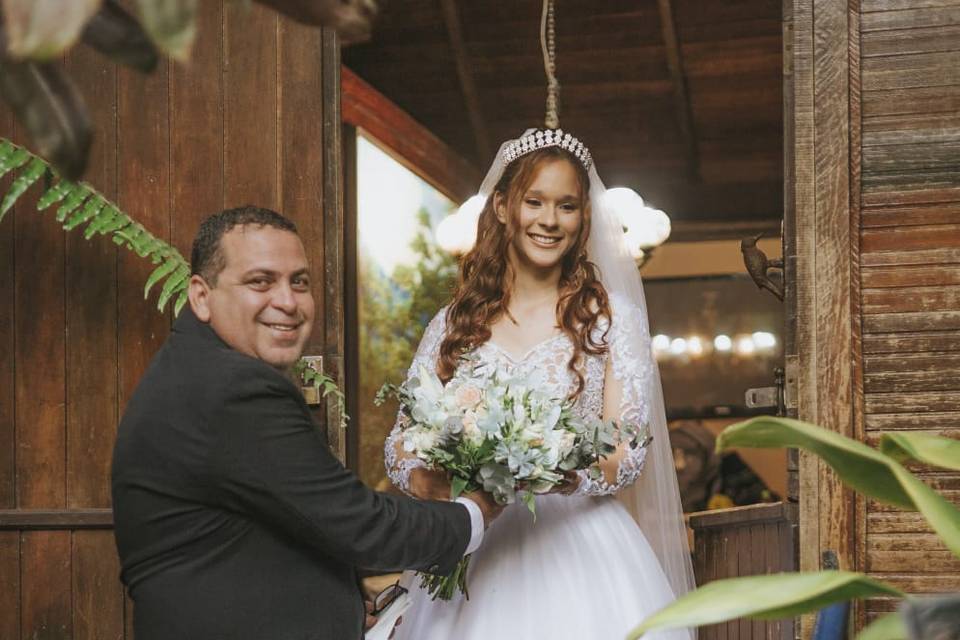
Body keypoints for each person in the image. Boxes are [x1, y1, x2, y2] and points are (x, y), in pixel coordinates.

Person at [111, 206, 501, 640]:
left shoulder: (196, 368)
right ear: (201, 296)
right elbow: (358, 524)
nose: (288, 302)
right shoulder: (232, 389)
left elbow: (272, 532)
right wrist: (474, 514)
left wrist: (344, 606)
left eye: (299, 281)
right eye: (260, 281)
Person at [385, 130, 696, 639]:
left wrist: (540, 467)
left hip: (582, 554)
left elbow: (628, 451)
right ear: (505, 207)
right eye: (535, 202)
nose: (550, 221)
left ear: (582, 218)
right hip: (471, 545)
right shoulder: (453, 323)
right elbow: (400, 442)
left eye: (567, 206)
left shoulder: (612, 320)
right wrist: (434, 478)